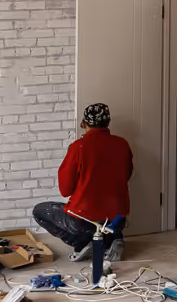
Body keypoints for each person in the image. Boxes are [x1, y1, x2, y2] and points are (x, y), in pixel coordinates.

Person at [32, 103, 133, 262]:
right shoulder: (123, 144)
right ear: (108, 122)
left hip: (85, 220)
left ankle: (84, 243)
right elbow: (126, 175)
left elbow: (65, 189)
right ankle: (112, 240)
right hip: (117, 220)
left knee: (39, 211)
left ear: (83, 123)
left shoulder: (78, 147)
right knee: (108, 219)